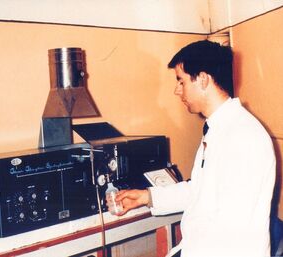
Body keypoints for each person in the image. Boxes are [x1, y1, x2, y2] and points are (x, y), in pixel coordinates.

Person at [111, 40, 276, 257]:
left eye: (181, 81)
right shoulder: (218, 129)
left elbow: (230, 231)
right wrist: (146, 197)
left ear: (203, 79)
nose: (176, 90)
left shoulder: (243, 136)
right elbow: (200, 191)